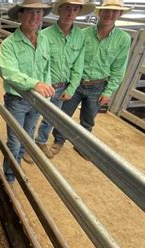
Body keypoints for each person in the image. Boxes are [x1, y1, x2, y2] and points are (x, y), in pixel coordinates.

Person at [51, 0, 132, 158]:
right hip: (76, 82)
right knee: (64, 114)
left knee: (88, 118)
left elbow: (119, 67)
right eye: (107, 11)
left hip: (98, 85)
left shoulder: (123, 39)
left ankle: (82, 144)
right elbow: (72, 60)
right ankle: (58, 140)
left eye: (115, 12)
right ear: (100, 13)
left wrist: (109, 91)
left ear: (120, 14)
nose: (110, 15)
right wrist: (70, 84)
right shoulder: (83, 34)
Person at [0, 0, 54, 184]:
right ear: (20, 16)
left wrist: (46, 85)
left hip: (36, 100)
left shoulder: (44, 40)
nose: (34, 17)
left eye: (38, 13)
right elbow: (9, 73)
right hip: (17, 100)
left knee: (28, 136)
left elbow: (47, 67)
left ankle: (17, 165)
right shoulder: (9, 44)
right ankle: (9, 176)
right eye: (30, 12)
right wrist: (35, 83)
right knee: (14, 140)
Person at [34, 0, 95, 159]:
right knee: (33, 114)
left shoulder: (80, 36)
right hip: (44, 85)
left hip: (62, 86)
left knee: (51, 118)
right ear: (59, 10)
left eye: (75, 9)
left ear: (79, 12)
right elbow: (39, 63)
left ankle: (40, 141)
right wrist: (40, 83)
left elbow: (79, 63)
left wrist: (72, 87)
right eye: (67, 8)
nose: (71, 13)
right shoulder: (44, 35)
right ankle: (28, 144)